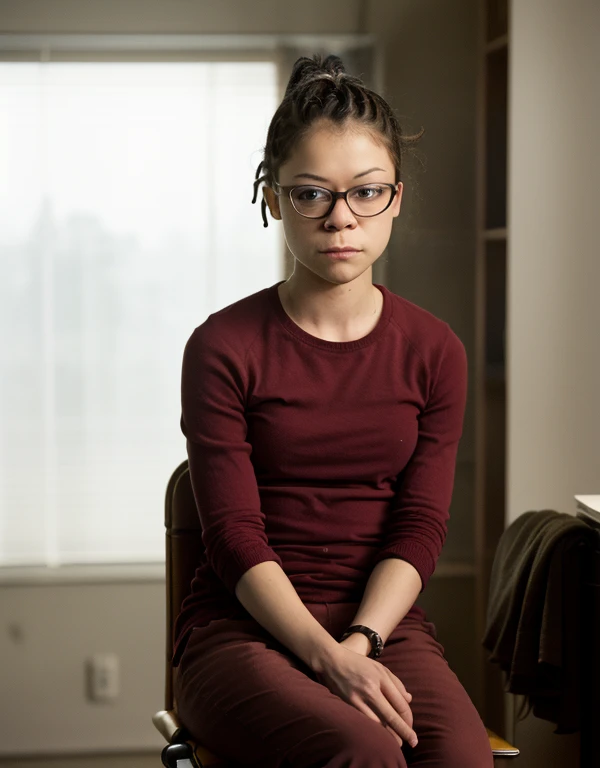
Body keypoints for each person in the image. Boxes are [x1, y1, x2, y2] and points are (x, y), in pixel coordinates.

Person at [171, 53, 493, 767]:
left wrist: (361, 645)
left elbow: (421, 525)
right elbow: (230, 535)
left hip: (382, 627)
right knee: (363, 752)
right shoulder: (221, 346)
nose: (342, 217)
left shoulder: (436, 350)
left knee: (461, 758)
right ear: (273, 199)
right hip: (242, 631)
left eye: (367, 192)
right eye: (312, 193)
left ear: (397, 198)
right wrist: (324, 657)